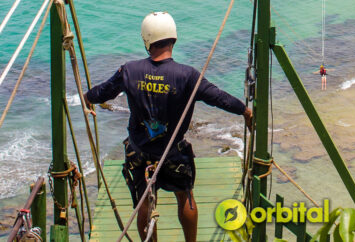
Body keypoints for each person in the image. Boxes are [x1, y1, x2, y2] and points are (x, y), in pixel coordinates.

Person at [84, 12, 252, 242]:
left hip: (139, 152)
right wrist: (245, 111)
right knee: (185, 197)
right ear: (173, 39)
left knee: (143, 202)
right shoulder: (187, 75)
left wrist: (86, 97)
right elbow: (219, 98)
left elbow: (101, 93)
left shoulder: (129, 71)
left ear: (147, 40)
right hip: (173, 153)